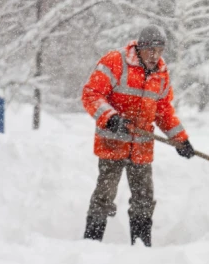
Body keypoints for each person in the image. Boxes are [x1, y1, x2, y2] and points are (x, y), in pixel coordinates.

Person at [81, 25, 195, 246]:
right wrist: (111, 117)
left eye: (159, 50)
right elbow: (91, 94)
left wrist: (181, 140)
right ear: (139, 47)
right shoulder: (115, 62)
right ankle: (91, 244)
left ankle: (142, 246)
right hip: (112, 143)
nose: (154, 55)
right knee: (104, 196)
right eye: (150, 49)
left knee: (144, 199)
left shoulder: (161, 74)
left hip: (141, 148)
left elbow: (163, 110)